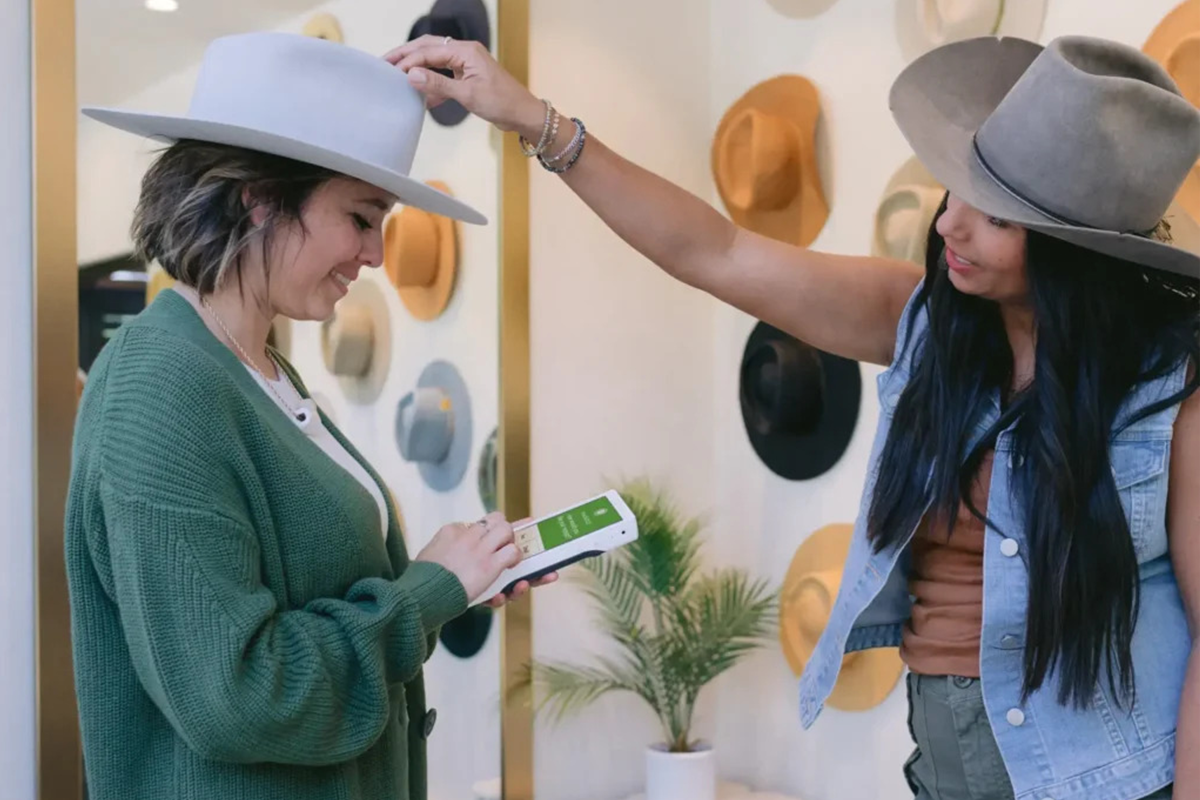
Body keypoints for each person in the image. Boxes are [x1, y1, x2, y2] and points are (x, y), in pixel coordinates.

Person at [388, 32, 1200, 800]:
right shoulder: (926, 327)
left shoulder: (1171, 395)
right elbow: (715, 251)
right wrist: (534, 119)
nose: (949, 222)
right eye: (962, 186)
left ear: (1074, 249)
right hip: (944, 767)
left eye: (997, 216)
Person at [65, 32, 553, 800]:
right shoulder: (162, 386)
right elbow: (239, 695)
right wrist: (425, 593)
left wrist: (450, 583)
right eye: (361, 217)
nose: (376, 255)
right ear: (258, 199)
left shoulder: (255, 368)